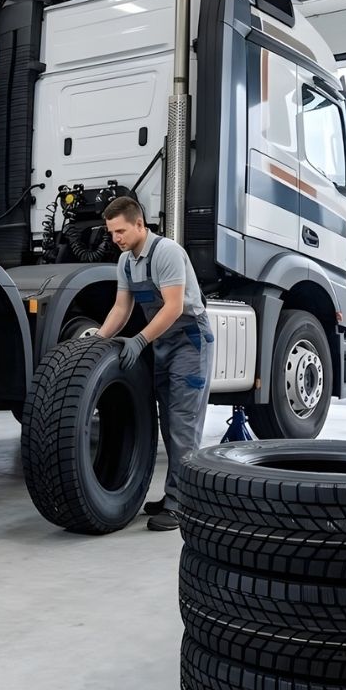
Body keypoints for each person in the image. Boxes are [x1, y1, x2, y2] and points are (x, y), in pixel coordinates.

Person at [95, 196, 213, 531]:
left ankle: (183, 504)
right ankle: (174, 494)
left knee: (183, 424)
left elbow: (174, 306)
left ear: (139, 224)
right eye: (111, 232)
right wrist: (97, 340)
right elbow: (122, 309)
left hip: (190, 339)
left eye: (120, 230)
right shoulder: (126, 263)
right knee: (168, 423)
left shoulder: (167, 253)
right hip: (163, 342)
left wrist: (141, 339)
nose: (115, 238)